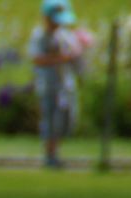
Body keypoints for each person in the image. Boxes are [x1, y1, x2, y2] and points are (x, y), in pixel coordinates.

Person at [28, 0, 82, 168]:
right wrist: (60, 58)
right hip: (48, 85)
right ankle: (50, 155)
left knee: (67, 119)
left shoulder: (65, 35)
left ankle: (55, 151)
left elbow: (75, 57)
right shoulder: (39, 36)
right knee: (51, 120)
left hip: (65, 85)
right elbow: (36, 59)